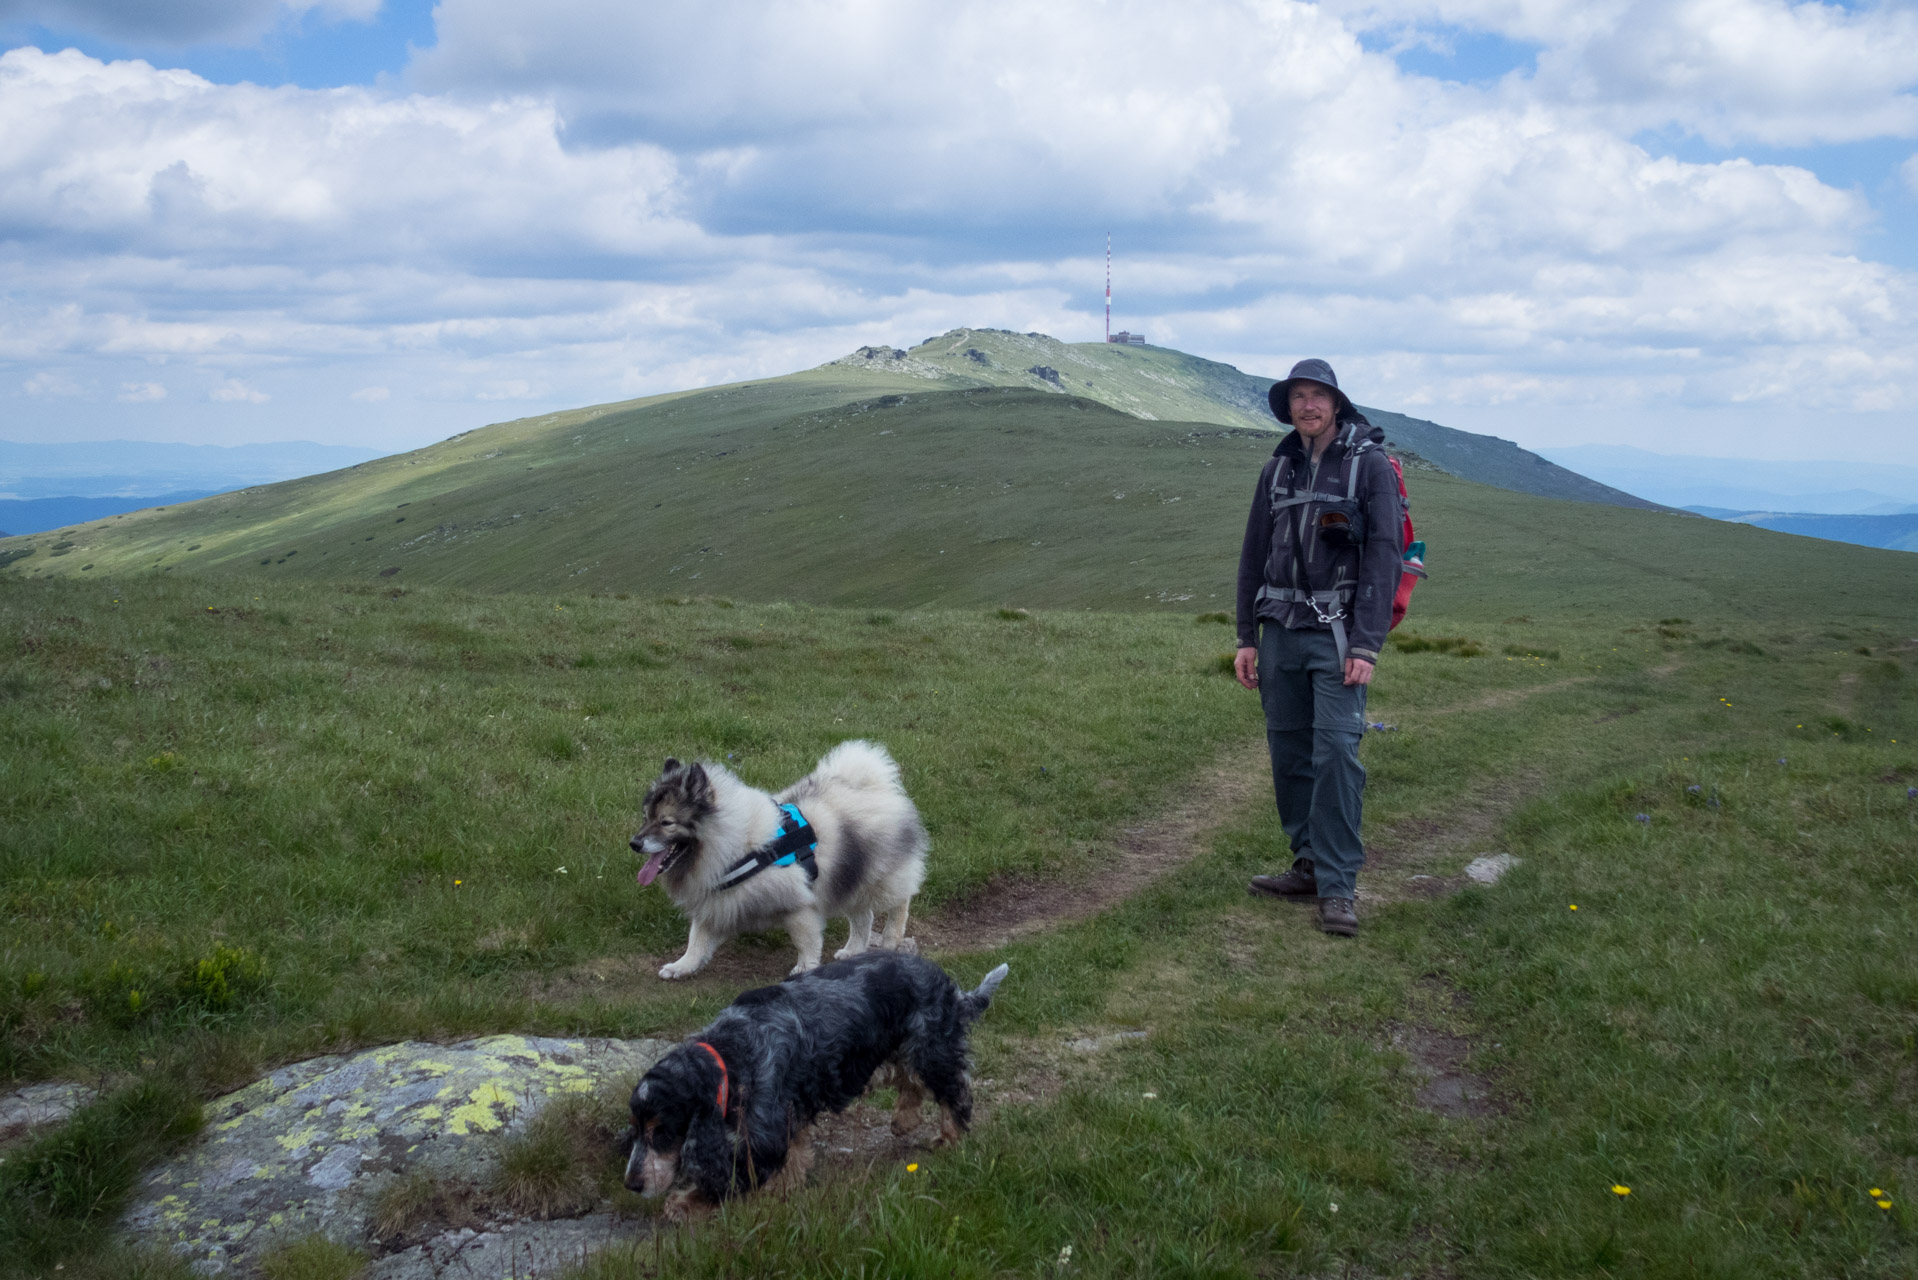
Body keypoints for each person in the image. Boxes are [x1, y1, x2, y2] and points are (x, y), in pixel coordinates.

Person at [1234, 359, 1403, 937]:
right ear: (1289, 407)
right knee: (1289, 753)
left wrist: (1367, 644)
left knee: (1336, 754)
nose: (1308, 405)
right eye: (1298, 397)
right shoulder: (1276, 469)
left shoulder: (1369, 466)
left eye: (1318, 396)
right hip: (1278, 632)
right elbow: (1252, 555)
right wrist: (1244, 637)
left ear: (1336, 403)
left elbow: (1385, 555)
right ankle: (1306, 863)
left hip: (1337, 636)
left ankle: (1337, 885)